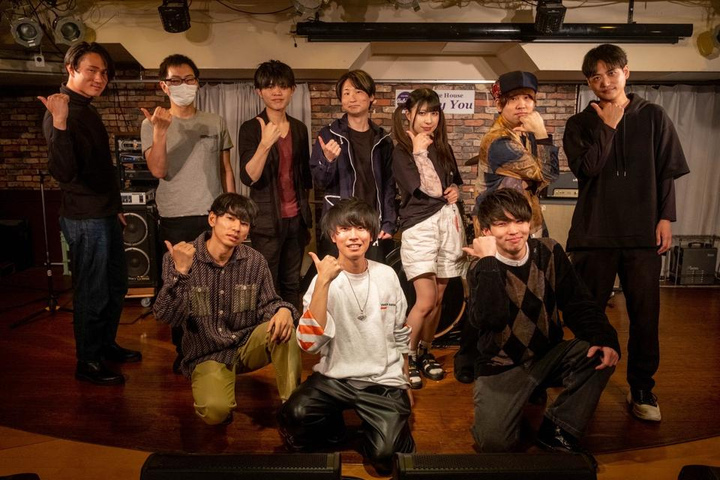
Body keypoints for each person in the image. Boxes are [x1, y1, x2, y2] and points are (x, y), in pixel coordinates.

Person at [563, 44, 690, 422]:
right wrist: (609, 125)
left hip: (641, 233)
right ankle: (583, 385)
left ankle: (642, 387)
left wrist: (666, 218)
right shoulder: (579, 124)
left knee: (645, 317)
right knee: (587, 316)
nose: (604, 82)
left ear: (626, 73)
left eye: (611, 73)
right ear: (589, 83)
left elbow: (665, 172)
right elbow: (587, 169)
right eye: (595, 77)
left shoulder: (654, 116)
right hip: (594, 233)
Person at [464, 188, 620, 467]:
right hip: (503, 365)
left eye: (520, 221)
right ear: (486, 231)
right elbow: (491, 319)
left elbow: (578, 302)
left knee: (599, 351)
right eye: (502, 223)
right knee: (494, 444)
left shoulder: (548, 251)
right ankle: (526, 395)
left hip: (547, 355)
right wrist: (487, 261)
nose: (514, 230)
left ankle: (557, 429)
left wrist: (604, 337)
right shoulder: (481, 268)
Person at [278, 198, 414, 473]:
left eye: (361, 228)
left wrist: (406, 380)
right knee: (294, 415)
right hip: (335, 378)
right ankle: (336, 428)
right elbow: (308, 344)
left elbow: (400, 331)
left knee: (385, 457)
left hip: (381, 379)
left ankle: (381, 427)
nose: (353, 236)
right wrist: (323, 282)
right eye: (344, 229)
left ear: (371, 234)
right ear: (333, 236)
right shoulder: (321, 280)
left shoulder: (387, 275)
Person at [40, 42, 141, 386]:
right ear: (71, 69)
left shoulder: (86, 108)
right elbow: (64, 171)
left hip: (104, 213)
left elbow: (100, 168)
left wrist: (115, 208)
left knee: (115, 285)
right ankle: (88, 361)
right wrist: (59, 121)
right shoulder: (61, 111)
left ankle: (104, 345)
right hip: (84, 218)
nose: (100, 78)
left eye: (104, 73)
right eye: (92, 70)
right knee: (92, 290)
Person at [153, 193, 301, 425]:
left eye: (244, 223)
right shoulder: (180, 258)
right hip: (207, 352)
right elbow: (165, 316)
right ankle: (218, 388)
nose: (237, 228)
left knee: (285, 328)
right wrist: (181, 273)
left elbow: (268, 304)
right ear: (212, 219)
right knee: (215, 412)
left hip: (245, 344)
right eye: (230, 219)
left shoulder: (254, 261)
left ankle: (293, 410)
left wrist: (283, 310)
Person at [141, 53, 235, 374]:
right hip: (175, 216)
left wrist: (231, 210)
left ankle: (213, 345)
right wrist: (160, 132)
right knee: (180, 285)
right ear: (164, 86)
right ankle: (183, 349)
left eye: (189, 79)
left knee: (214, 284)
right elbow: (158, 170)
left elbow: (226, 168)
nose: (183, 85)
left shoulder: (215, 121)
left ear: (198, 82)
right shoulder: (151, 124)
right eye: (175, 80)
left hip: (212, 216)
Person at [391, 88, 465, 389]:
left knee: (440, 298)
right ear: (408, 114)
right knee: (425, 300)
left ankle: (424, 351)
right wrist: (419, 152)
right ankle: (404, 359)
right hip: (420, 228)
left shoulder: (442, 146)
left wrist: (456, 191)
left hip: (448, 224)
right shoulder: (402, 150)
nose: (429, 119)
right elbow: (428, 189)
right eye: (422, 112)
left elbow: (451, 184)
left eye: (434, 112)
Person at [237, 60, 312, 310]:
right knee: (267, 283)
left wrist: (306, 219)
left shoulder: (299, 129)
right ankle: (269, 329)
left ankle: (290, 326)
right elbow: (248, 177)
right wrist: (265, 144)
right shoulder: (251, 128)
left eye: (282, 86)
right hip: (267, 222)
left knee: (292, 282)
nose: (276, 92)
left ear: (292, 90)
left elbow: (304, 177)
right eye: (269, 86)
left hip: (296, 220)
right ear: (259, 92)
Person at [311, 70, 396, 262]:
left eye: (358, 91)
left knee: (373, 275)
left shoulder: (383, 139)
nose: (352, 98)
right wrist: (328, 160)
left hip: (371, 222)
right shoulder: (328, 134)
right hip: (339, 223)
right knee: (336, 276)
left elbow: (389, 186)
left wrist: (389, 222)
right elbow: (319, 181)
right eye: (346, 93)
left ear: (371, 96)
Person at [474, 70, 559, 238]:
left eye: (527, 98)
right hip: (500, 226)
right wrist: (542, 134)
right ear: (499, 105)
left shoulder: (526, 132)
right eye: (513, 99)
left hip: (526, 217)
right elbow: (549, 174)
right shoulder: (499, 140)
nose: (522, 105)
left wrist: (533, 182)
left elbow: (543, 181)